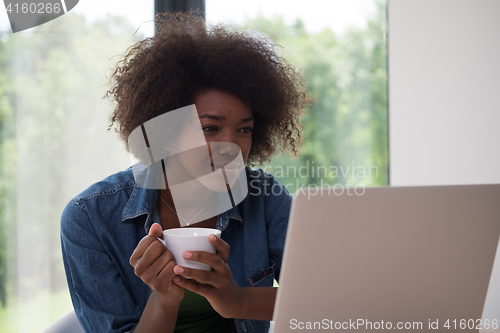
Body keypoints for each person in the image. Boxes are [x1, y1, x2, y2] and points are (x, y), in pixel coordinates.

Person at [61, 11, 312, 333]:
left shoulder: (264, 198)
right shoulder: (91, 218)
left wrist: (235, 299)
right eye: (210, 128)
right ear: (165, 133)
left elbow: (322, 300)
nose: (231, 146)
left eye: (244, 130)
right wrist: (164, 298)